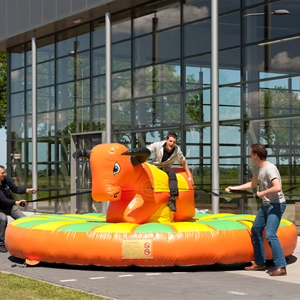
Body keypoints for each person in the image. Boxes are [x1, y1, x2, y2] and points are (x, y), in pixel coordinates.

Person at [225, 143, 287, 276]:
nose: (250, 155)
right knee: (256, 229)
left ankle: (281, 267)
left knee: (270, 234)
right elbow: (252, 184)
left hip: (276, 204)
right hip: (266, 205)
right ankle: (259, 262)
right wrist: (233, 188)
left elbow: (277, 187)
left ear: (256, 155)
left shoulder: (270, 168)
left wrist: (259, 194)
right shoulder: (258, 169)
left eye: (251, 153)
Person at [147, 132, 194, 212]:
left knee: (172, 173)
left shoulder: (177, 151)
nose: (172, 144)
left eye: (174, 142)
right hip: (155, 167)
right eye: (170, 141)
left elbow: (184, 162)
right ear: (166, 140)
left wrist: (189, 176)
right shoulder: (158, 145)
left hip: (165, 169)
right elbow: (147, 151)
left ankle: (172, 199)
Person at [0, 165, 36, 253]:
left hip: (10, 206)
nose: (4, 174)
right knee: (3, 219)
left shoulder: (5, 179)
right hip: (0, 208)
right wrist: (17, 202)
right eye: (2, 173)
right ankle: (1, 244)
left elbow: (15, 189)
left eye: (4, 172)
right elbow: (3, 200)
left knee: (24, 219)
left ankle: (27, 240)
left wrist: (28, 190)